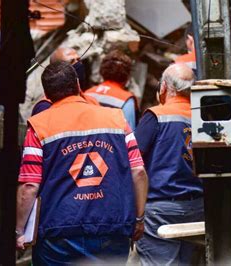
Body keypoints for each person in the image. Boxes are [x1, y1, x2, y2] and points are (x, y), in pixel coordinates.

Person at [16, 61, 149, 264]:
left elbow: (29, 185)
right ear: (78, 85)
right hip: (112, 227)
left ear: (47, 94)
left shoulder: (39, 126)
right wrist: (138, 219)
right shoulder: (117, 118)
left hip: (58, 233)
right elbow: (138, 172)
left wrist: (19, 230)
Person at [135, 64, 204, 265]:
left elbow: (134, 163)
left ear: (164, 87)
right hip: (197, 208)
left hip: (160, 210)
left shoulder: (155, 115)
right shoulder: (202, 117)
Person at [31, 47, 98, 116]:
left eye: (78, 60)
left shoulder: (91, 101)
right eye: (71, 62)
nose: (78, 64)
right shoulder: (45, 107)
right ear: (56, 70)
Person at [85, 50, 138, 130]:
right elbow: (129, 135)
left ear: (102, 71)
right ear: (127, 76)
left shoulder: (87, 93)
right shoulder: (126, 100)